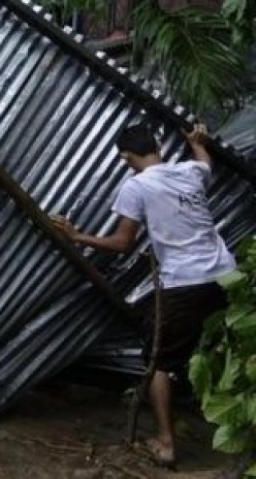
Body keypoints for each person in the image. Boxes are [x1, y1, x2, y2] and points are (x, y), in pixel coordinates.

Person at [53, 122, 235, 469]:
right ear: (159, 147)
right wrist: (197, 142)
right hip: (225, 273)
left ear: (125, 157)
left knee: (159, 363)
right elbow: (205, 162)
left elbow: (122, 243)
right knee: (216, 346)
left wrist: (77, 237)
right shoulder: (189, 171)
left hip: (185, 281)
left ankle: (165, 444)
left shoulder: (136, 186)